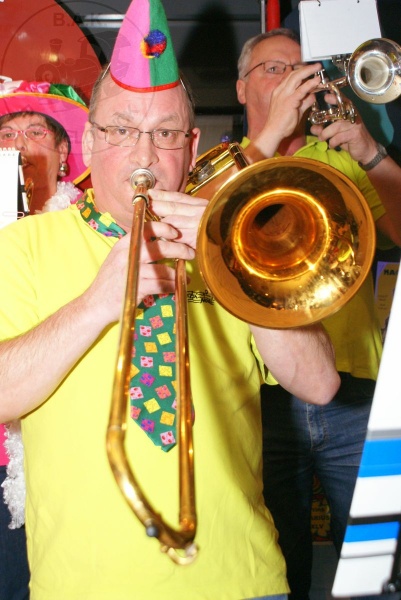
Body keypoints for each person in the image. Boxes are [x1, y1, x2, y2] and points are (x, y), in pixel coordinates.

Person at [0, 3, 340, 599]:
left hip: (243, 580)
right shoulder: (22, 244)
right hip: (82, 585)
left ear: (192, 144)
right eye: (121, 130)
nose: (144, 155)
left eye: (164, 134)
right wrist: (95, 304)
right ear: (89, 140)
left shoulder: (234, 242)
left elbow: (319, 384)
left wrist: (237, 262)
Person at [236, 28, 401, 600]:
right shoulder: (222, 165)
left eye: (299, 70)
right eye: (273, 69)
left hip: (356, 388)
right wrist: (268, 139)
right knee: (278, 563)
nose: (291, 80)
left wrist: (371, 154)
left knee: (376, 562)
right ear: (241, 88)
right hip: (260, 394)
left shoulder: (339, 158)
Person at [0, 78, 88, 600]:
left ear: (62, 155)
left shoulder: (93, 226)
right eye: (8, 134)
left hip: (67, 444)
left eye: (36, 132)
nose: (20, 144)